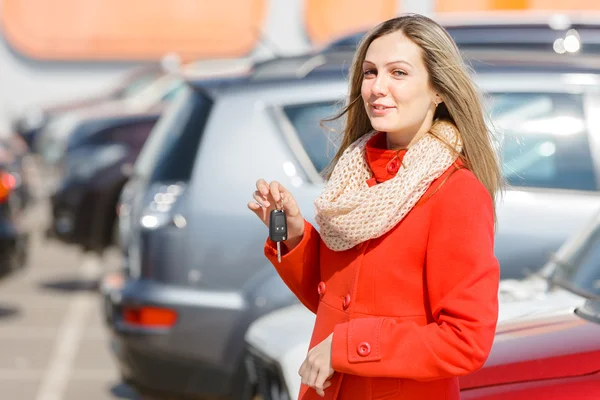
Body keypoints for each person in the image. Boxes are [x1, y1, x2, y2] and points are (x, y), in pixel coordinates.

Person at [248, 13, 502, 400]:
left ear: (438, 90)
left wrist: (348, 347)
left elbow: (465, 340)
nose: (377, 88)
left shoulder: (456, 193)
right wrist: (295, 235)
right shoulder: (354, 174)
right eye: (370, 73)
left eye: (398, 73)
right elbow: (334, 301)